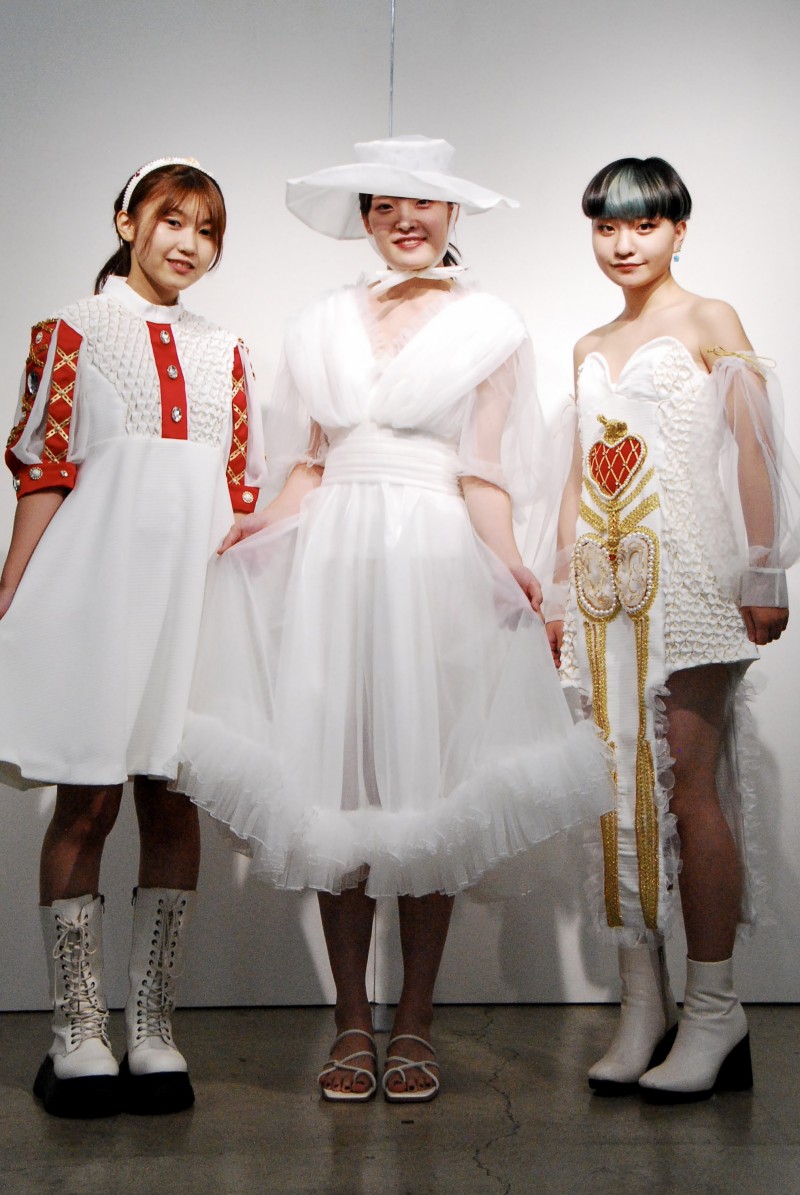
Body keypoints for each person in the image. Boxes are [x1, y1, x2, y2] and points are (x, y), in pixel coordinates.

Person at [174, 135, 613, 1103]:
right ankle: (348, 1020)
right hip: (335, 559)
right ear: (365, 218)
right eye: (383, 206)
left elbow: (484, 470)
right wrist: (264, 524)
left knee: (428, 786)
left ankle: (413, 1018)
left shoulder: (489, 324)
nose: (403, 220)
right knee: (334, 787)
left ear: (451, 213)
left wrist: (509, 563)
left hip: (432, 558)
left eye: (421, 204)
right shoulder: (320, 320)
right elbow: (309, 461)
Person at [0, 158, 266, 1117]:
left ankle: (152, 1026)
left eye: (208, 229)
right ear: (127, 221)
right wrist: (13, 586)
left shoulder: (228, 350)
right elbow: (45, 468)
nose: (189, 243)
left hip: (193, 598)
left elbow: (239, 493)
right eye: (172, 220)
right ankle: (77, 1029)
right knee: (87, 800)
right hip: (100, 594)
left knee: (173, 799)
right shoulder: (72, 328)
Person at [546, 156, 800, 1102]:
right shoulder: (586, 343)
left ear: (679, 230)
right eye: (607, 226)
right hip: (604, 586)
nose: (624, 243)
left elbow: (755, 449)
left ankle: (715, 1009)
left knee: (693, 791)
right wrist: (560, 589)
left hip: (689, 579)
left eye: (644, 224)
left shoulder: (709, 318)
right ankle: (641, 1005)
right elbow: (577, 472)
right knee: (616, 795)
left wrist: (764, 568)